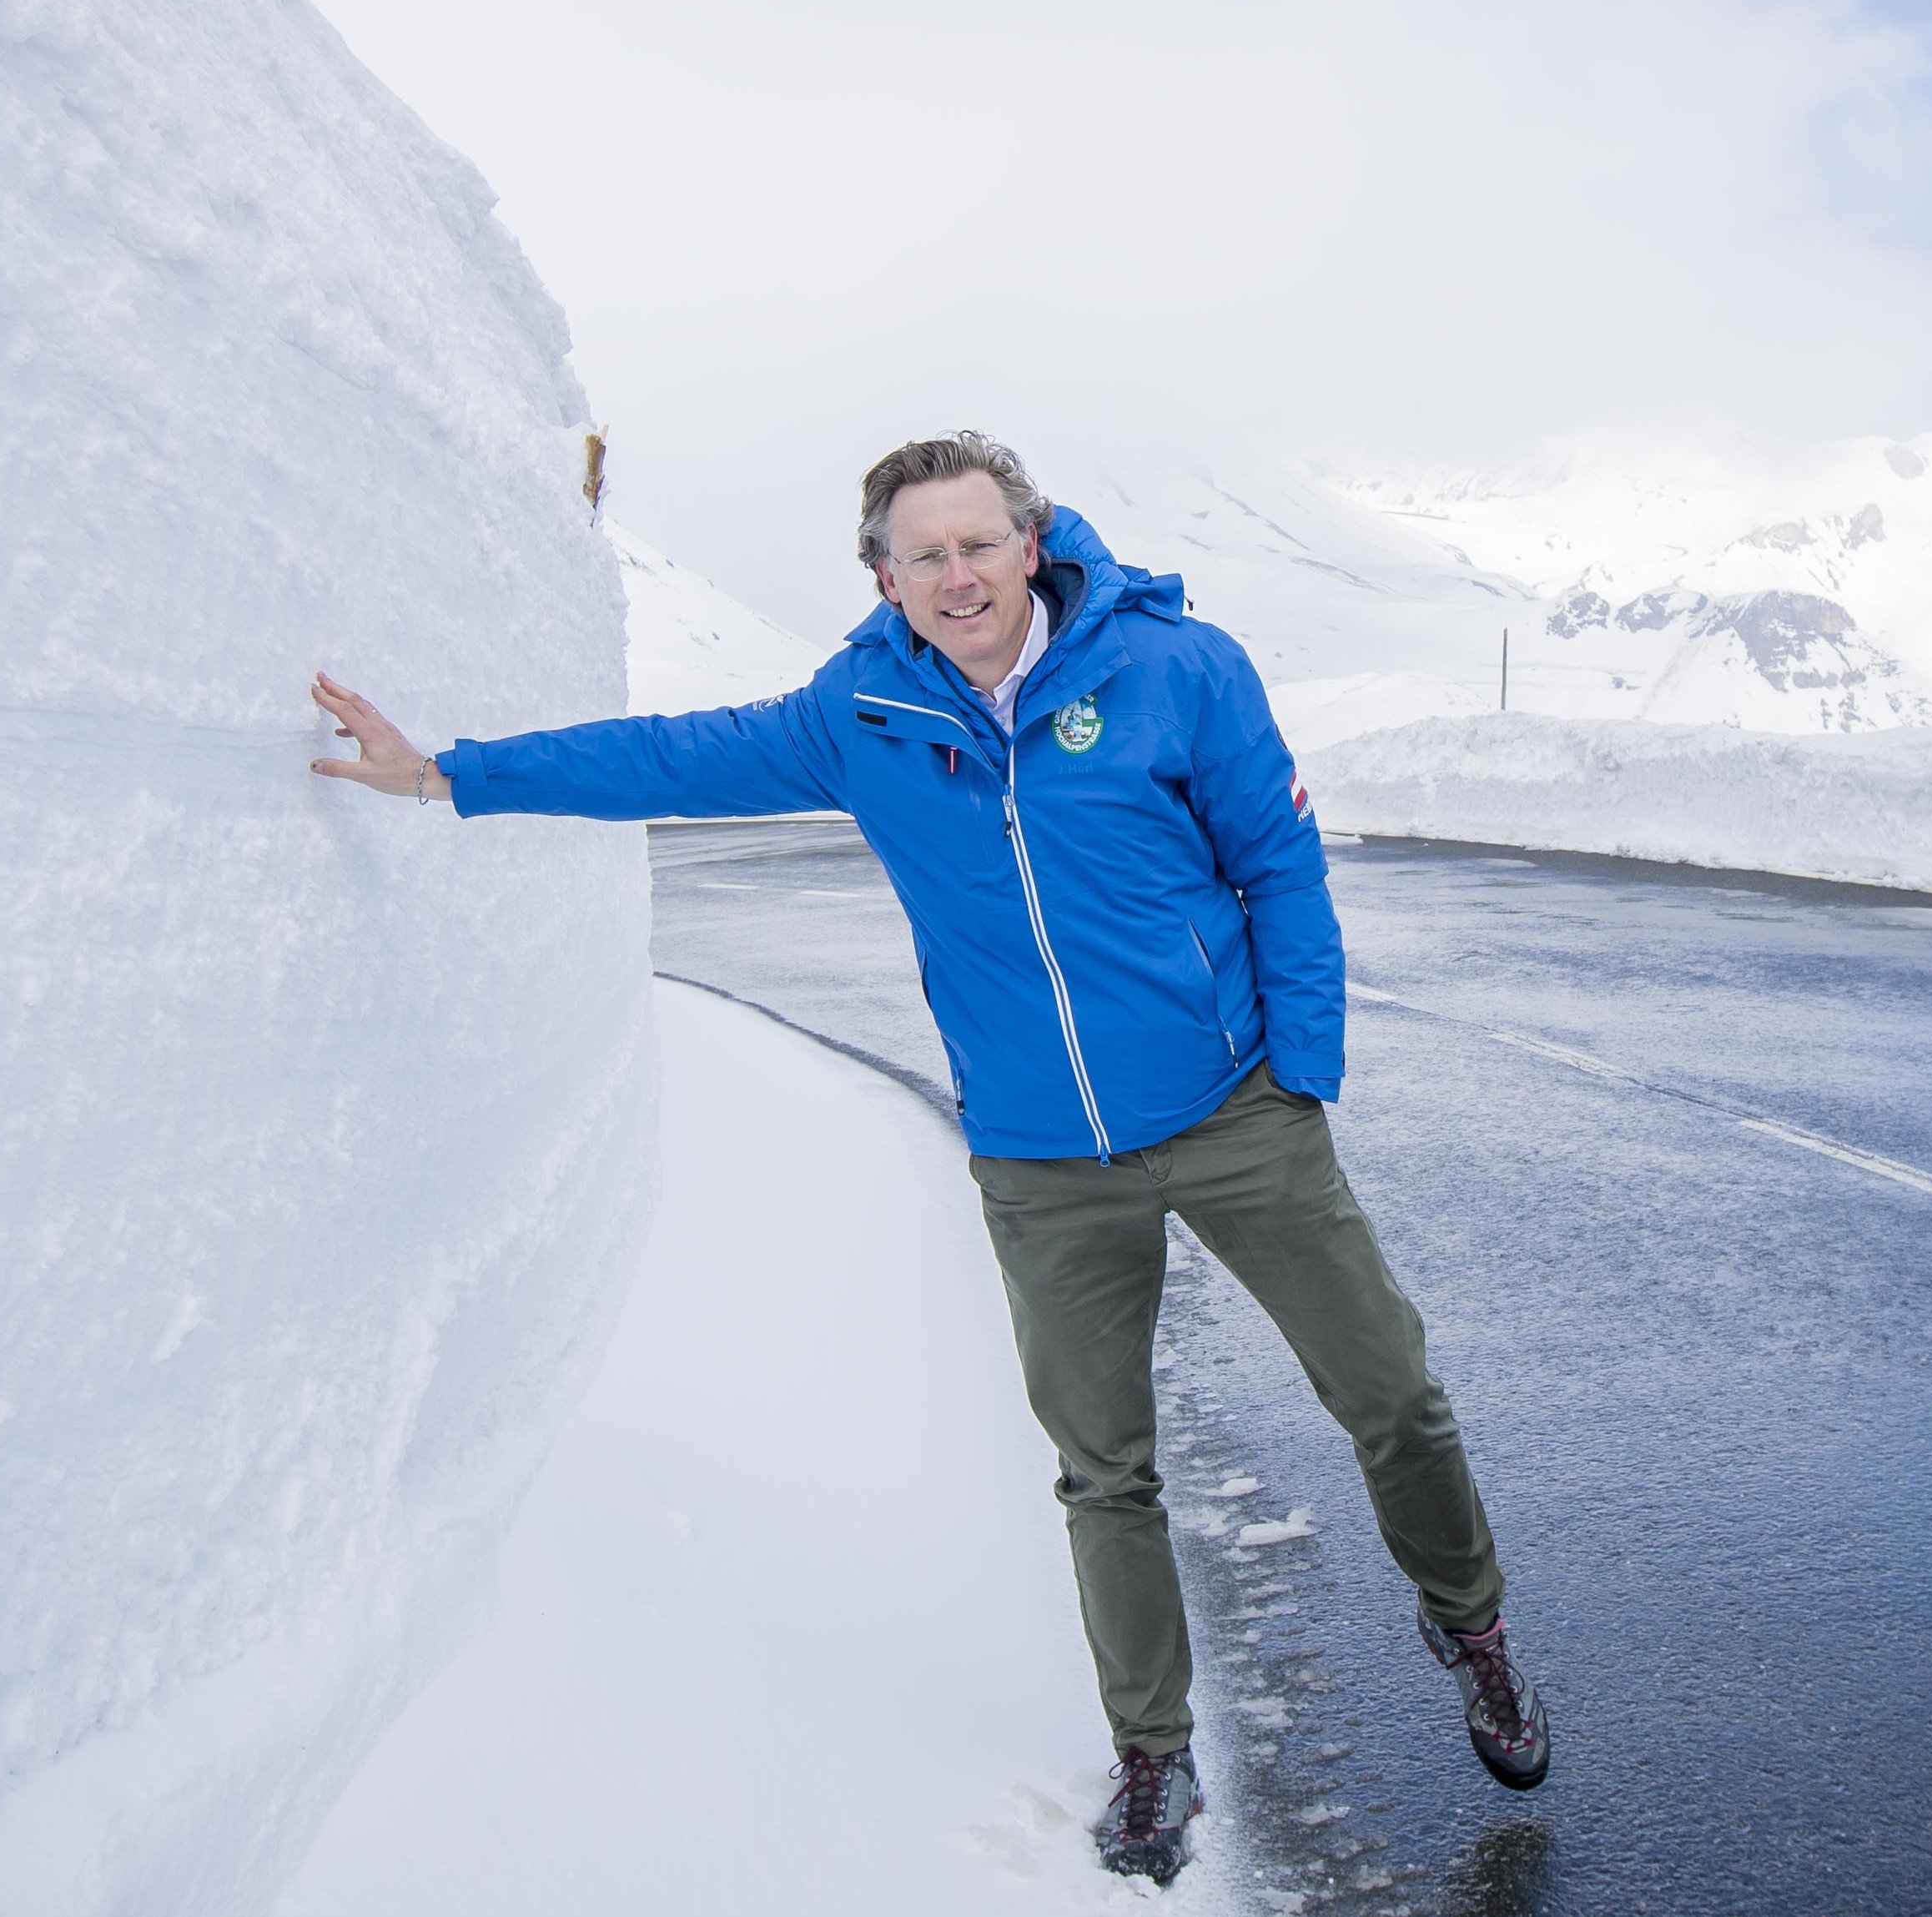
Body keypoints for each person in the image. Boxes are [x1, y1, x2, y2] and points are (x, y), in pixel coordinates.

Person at [309, 433, 1543, 1884]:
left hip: (1231, 1113)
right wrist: (451, 773)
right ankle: (1151, 1748)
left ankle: (1470, 1624)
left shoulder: (1177, 669)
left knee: (1389, 1386)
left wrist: (1300, 1073)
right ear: (882, 575)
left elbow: (1279, 866)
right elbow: (669, 756)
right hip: (1039, 1157)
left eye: (978, 544)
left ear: (1033, 544)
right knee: (1105, 1467)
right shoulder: (864, 710)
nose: (956, 576)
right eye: (925, 554)